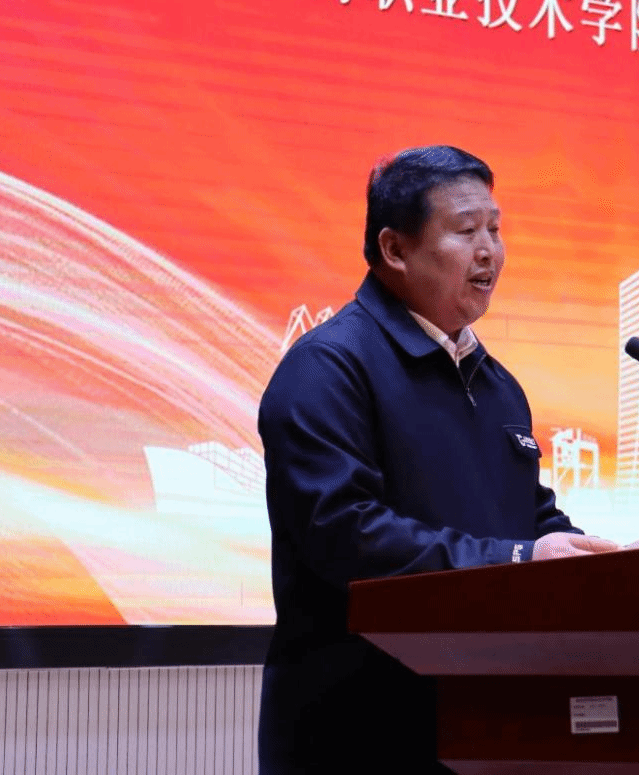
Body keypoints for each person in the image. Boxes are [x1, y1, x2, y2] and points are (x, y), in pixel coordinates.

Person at [257, 145, 619, 774]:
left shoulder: (497, 384)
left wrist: (606, 562)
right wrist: (518, 559)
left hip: (487, 731)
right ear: (395, 249)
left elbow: (529, 517)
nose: (489, 251)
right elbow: (345, 535)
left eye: (495, 229)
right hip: (358, 734)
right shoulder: (328, 368)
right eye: (466, 230)